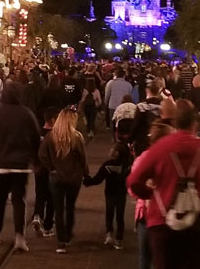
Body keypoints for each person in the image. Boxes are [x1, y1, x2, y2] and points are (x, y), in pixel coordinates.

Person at [127, 99, 200, 269]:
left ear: (174, 122)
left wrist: (150, 194)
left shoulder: (161, 148)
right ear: (195, 123)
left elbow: (134, 181)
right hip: (198, 225)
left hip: (163, 223)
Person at [0, 82, 41, 251]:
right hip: (21, 166)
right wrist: (37, 162)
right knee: (19, 200)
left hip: (0, 165)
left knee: (0, 200)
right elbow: (35, 140)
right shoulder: (27, 114)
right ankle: (19, 236)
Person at [38, 106, 89, 254]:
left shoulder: (51, 136)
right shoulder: (77, 137)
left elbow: (41, 154)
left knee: (58, 209)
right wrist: (86, 174)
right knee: (70, 206)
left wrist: (51, 167)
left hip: (56, 178)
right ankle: (68, 235)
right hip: (74, 178)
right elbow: (83, 158)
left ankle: (60, 242)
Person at [130, 121, 174, 269]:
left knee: (144, 256)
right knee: (161, 259)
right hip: (166, 214)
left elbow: (132, 188)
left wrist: (147, 193)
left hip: (144, 214)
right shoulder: (173, 160)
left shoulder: (142, 159)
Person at [83, 140, 131, 249]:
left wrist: (87, 181)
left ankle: (109, 234)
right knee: (120, 216)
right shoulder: (127, 166)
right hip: (121, 193)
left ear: (116, 153)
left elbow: (98, 179)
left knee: (109, 213)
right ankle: (119, 240)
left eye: (112, 149)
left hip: (110, 192)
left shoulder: (108, 165)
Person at [32, 107, 58, 238]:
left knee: (40, 194)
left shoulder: (37, 133)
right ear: (53, 120)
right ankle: (48, 226)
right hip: (51, 169)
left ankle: (37, 215)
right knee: (52, 197)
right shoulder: (55, 135)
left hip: (38, 169)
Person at [130, 81, 163, 157]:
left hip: (143, 141)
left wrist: (130, 139)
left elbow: (136, 124)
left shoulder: (142, 105)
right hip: (159, 141)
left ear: (147, 91)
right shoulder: (163, 105)